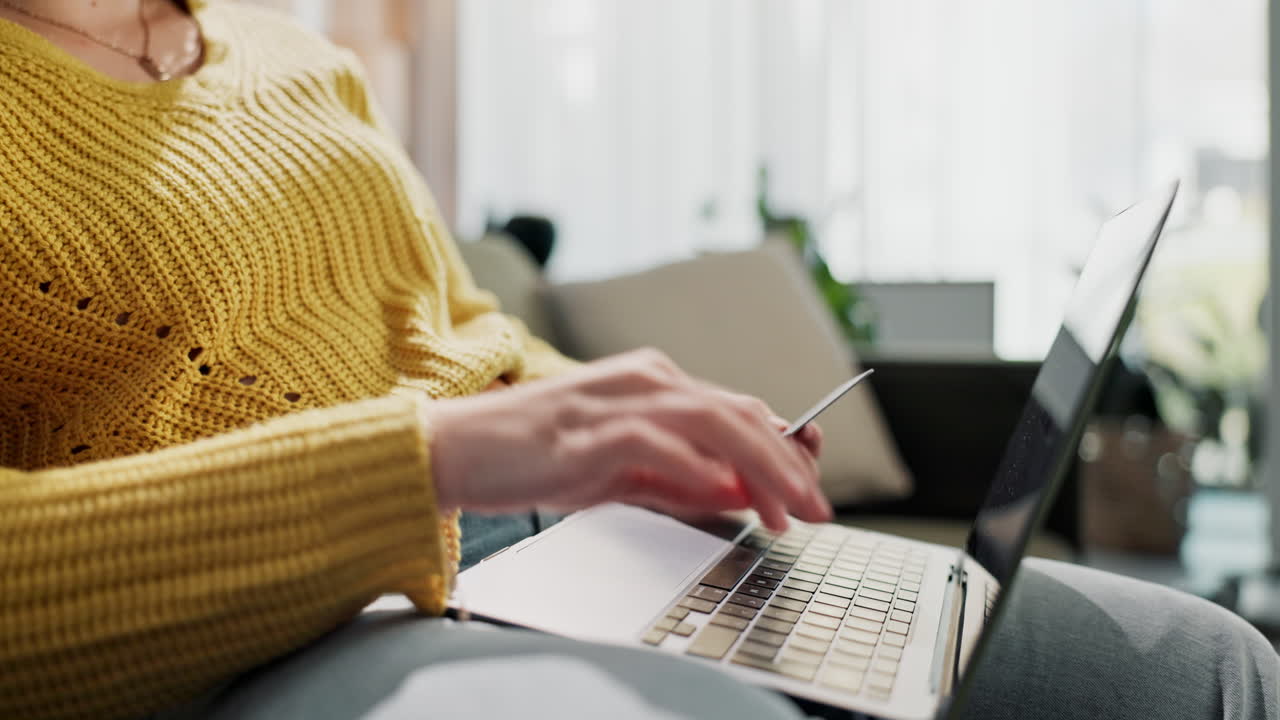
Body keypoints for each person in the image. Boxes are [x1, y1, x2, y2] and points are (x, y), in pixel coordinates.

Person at [0, 3, 1272, 719]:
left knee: (1206, 668)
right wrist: (433, 461)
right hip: (290, 617)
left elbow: (452, 327)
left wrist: (631, 426)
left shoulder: (294, 54)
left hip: (564, 537)